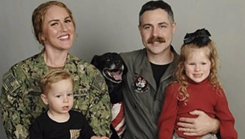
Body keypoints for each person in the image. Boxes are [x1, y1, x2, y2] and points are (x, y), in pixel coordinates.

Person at [0, 1, 111, 138]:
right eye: (54, 23)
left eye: (67, 21)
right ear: (41, 35)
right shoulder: (19, 75)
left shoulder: (90, 74)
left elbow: (99, 128)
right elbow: (16, 128)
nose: (64, 28)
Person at [120, 1, 220, 139]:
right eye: (148, 27)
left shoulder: (193, 69)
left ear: (173, 27)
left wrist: (215, 125)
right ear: (140, 30)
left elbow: (217, 106)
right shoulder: (125, 63)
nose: (155, 34)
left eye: (162, 26)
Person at [158, 28, 238, 139]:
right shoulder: (175, 89)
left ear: (212, 64)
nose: (197, 69)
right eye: (192, 64)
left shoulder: (216, 90)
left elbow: (227, 120)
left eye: (203, 63)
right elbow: (166, 122)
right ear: (183, 65)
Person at [30, 69, 109, 139]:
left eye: (69, 94)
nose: (66, 100)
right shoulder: (40, 124)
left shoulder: (78, 118)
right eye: (58, 96)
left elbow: (88, 135)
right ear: (45, 99)